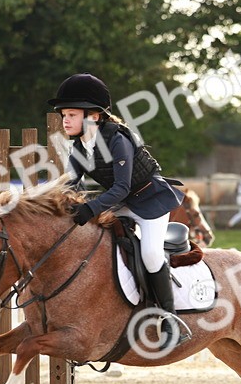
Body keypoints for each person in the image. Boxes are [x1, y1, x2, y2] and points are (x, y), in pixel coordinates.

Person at [49, 72, 191, 350]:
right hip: (123, 204)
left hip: (150, 202)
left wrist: (89, 209)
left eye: (71, 114)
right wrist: (50, 201)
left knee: (150, 254)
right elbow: (69, 182)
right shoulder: (79, 146)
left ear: (94, 116)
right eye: (64, 114)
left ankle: (171, 321)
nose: (65, 120)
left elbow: (121, 188)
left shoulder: (118, 139)